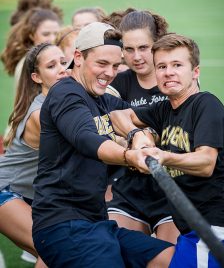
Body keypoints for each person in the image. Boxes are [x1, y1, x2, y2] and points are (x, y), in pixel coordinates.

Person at [32, 22, 174, 268]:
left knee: (169, 259)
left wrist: (141, 134)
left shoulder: (103, 99)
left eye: (116, 66)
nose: (109, 73)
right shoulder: (66, 94)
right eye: (101, 64)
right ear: (78, 57)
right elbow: (87, 140)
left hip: (97, 222)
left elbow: (141, 116)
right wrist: (130, 156)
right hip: (63, 223)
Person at [109, 33, 224, 267]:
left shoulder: (206, 105)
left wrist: (163, 155)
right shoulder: (164, 109)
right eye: (162, 66)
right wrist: (136, 135)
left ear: (195, 71)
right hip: (191, 228)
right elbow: (118, 115)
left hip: (216, 228)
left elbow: (207, 163)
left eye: (177, 65)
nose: (168, 72)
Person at [106, 9, 179, 247]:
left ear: (156, 43)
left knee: (172, 256)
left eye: (143, 48)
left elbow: (179, 126)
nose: (136, 56)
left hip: (172, 184)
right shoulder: (116, 82)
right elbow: (111, 126)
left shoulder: (175, 76)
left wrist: (151, 135)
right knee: (116, 248)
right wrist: (134, 137)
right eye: (129, 49)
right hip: (129, 185)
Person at [0, 42, 68, 268]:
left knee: (60, 253)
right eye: (51, 66)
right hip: (6, 191)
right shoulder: (41, 114)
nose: (61, 68)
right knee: (56, 250)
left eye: (63, 62)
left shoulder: (63, 101)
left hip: (32, 195)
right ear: (37, 77)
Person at [1, 7, 62, 88]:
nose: (52, 39)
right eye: (46, 34)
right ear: (32, 35)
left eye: (56, 34)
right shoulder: (29, 64)